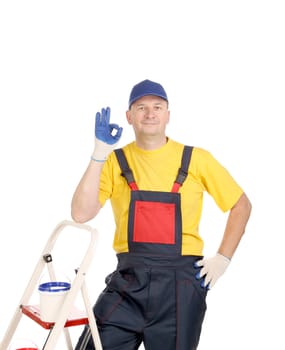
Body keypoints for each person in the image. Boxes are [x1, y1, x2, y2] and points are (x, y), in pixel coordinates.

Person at [71, 79, 252, 350]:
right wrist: (99, 154)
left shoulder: (196, 159)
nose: (150, 113)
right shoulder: (114, 162)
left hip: (180, 288)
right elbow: (80, 213)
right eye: (141, 107)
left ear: (168, 114)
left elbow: (241, 206)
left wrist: (222, 260)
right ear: (129, 117)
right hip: (128, 282)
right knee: (92, 345)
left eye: (158, 106)